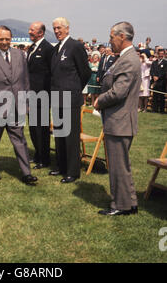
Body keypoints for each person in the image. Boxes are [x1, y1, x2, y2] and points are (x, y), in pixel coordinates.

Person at [94, 21, 140, 216]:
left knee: (117, 166)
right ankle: (129, 202)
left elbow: (118, 92)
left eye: (112, 37)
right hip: (118, 121)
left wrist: (98, 101)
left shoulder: (128, 59)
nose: (110, 41)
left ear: (122, 36)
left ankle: (120, 205)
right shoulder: (124, 58)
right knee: (121, 165)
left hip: (120, 122)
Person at [0, 26, 37, 185]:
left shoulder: (20, 54)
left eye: (7, 39)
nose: (5, 42)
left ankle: (27, 173)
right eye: (1, 39)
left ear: (11, 38)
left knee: (20, 139)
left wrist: (26, 102)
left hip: (17, 107)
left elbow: (25, 80)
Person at [49, 17, 91, 183]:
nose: (57, 31)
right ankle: (61, 166)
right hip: (57, 97)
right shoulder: (57, 48)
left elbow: (85, 72)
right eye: (55, 28)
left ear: (67, 28)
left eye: (59, 28)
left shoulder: (75, 46)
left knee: (71, 136)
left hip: (70, 98)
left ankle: (73, 171)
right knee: (59, 133)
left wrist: (75, 88)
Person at [27, 21, 54, 169]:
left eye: (33, 30)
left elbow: (52, 73)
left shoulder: (48, 49)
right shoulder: (32, 47)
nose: (29, 32)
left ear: (41, 33)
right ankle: (38, 154)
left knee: (42, 129)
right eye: (30, 29)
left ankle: (45, 158)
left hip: (42, 96)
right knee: (33, 128)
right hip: (31, 95)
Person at [150, 49, 167, 113]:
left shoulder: (165, 63)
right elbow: (151, 71)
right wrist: (153, 76)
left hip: (162, 82)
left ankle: (162, 110)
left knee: (161, 97)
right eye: (160, 53)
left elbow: (165, 72)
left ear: (164, 54)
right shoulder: (154, 62)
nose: (161, 55)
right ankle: (154, 109)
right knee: (155, 96)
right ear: (158, 54)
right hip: (155, 82)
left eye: (162, 54)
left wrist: (158, 77)